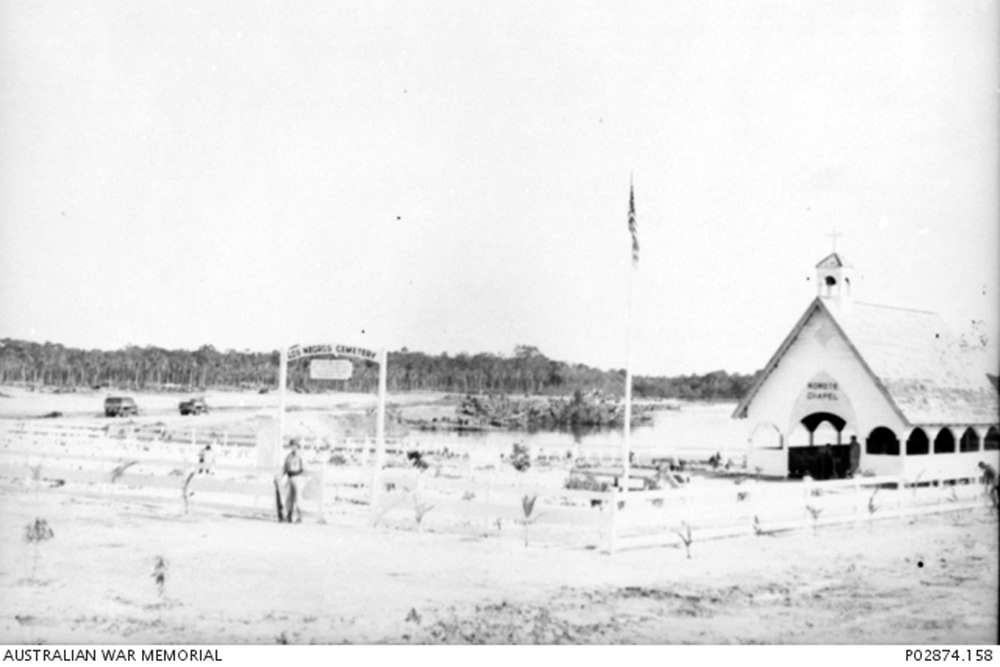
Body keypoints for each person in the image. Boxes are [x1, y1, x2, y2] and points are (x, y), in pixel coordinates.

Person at [282, 438, 306, 523]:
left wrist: (298, 475)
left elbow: (303, 468)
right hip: (289, 477)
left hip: (297, 477)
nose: (292, 447)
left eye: (294, 446)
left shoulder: (300, 456)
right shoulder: (289, 456)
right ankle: (289, 515)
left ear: (297, 446)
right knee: (289, 498)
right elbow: (285, 467)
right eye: (291, 446)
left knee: (298, 497)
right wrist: (282, 475)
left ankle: (300, 517)